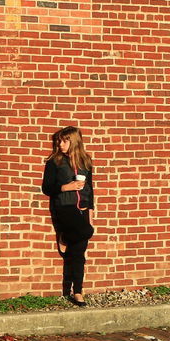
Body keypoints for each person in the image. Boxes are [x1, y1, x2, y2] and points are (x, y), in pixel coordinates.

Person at [42, 126, 95, 306]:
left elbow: (91, 189)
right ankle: (66, 236)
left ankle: (77, 291)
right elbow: (47, 188)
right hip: (64, 206)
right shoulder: (54, 162)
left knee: (78, 253)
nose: (60, 144)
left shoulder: (85, 161)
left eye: (65, 141)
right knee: (87, 233)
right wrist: (67, 187)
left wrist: (91, 213)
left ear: (74, 141)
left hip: (83, 208)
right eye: (59, 141)